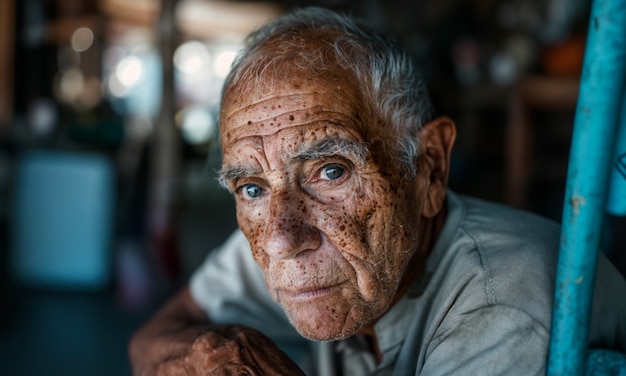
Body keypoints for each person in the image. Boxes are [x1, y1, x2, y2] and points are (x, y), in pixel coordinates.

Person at [129, 7, 626, 375]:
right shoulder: (283, 237)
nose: (282, 240)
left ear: (429, 169)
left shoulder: (502, 308)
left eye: (330, 172)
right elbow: (149, 340)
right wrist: (205, 353)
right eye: (252, 187)